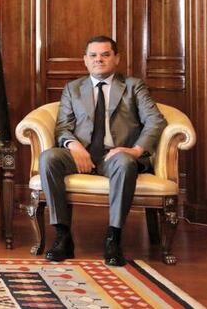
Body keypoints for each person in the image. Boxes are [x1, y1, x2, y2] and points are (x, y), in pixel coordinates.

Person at [40, 35, 166, 266]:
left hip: (115, 156)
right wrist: (73, 145)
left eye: (105, 55)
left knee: (125, 162)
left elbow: (155, 121)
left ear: (116, 59)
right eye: (93, 55)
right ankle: (62, 236)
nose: (99, 60)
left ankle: (113, 238)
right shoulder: (73, 88)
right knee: (48, 158)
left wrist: (135, 150)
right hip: (80, 155)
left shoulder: (132, 86)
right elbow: (62, 127)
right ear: (85, 60)